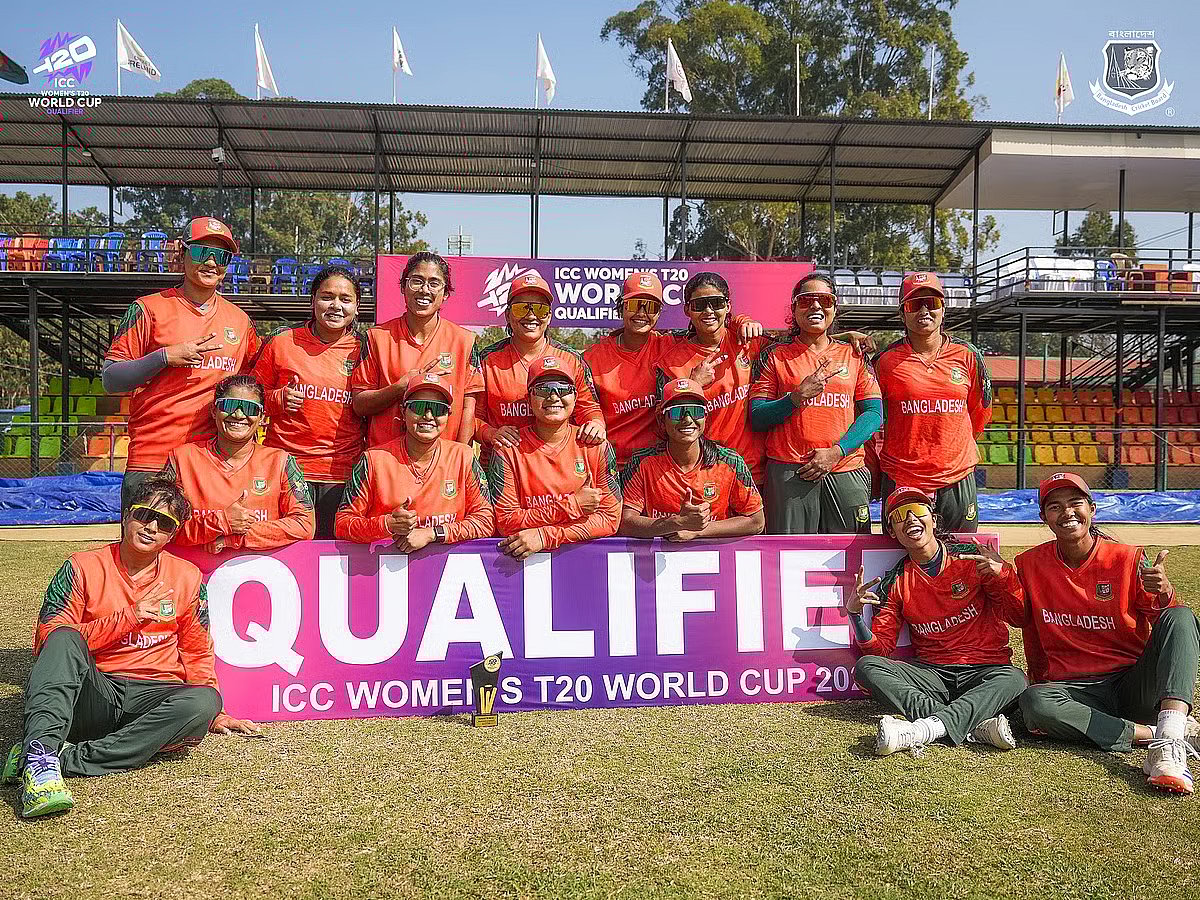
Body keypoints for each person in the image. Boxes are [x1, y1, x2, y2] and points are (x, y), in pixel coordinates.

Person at [1, 476, 259, 819]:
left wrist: (215, 713)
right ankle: (42, 760)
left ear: (172, 534)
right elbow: (48, 639)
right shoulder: (81, 566)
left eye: (164, 523)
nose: (151, 526)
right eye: (143, 515)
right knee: (62, 638)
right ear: (125, 516)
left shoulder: (188, 577)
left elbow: (197, 650)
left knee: (204, 700)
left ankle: (62, 758)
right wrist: (129, 617)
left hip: (153, 695)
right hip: (95, 691)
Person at [1014, 473, 1200, 795]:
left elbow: (1168, 625)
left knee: (1181, 617)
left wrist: (1165, 593)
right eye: (1055, 507)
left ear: (1093, 509)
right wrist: (998, 577)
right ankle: (1159, 733)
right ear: (1044, 518)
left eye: (1076, 503)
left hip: (1132, 685)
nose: (1067, 512)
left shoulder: (1126, 558)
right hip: (1074, 691)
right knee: (1034, 701)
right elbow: (1015, 616)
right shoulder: (1029, 564)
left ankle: (1167, 748)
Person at [846, 486, 1027, 757]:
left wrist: (1003, 575)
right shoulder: (895, 581)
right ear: (892, 532)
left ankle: (923, 729)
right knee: (867, 667)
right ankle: (973, 725)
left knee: (1015, 679)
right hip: (932, 674)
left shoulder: (972, 557)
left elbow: (1018, 616)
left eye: (918, 511)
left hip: (984, 669)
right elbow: (880, 649)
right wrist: (855, 616)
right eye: (899, 516)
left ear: (933, 518)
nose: (910, 519)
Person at [103, 217, 259, 511]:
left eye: (222, 256)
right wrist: (164, 357)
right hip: (154, 459)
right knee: (144, 553)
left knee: (208, 553)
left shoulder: (240, 321)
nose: (212, 262)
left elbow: (254, 385)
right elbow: (111, 379)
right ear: (180, 252)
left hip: (210, 463)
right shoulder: (148, 309)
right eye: (201, 252)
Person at [584, 271, 763, 468]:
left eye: (651, 306)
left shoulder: (669, 344)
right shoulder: (591, 358)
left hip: (658, 466)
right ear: (621, 307)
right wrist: (693, 384)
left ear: (659, 312)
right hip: (611, 464)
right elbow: (584, 408)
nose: (642, 313)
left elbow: (708, 324)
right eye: (635, 304)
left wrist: (741, 320)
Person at [749, 274, 883, 534]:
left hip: (845, 468)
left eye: (825, 300)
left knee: (851, 558)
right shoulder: (774, 355)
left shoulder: (854, 354)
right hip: (790, 472)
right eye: (807, 300)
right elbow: (757, 417)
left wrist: (837, 452)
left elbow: (874, 413)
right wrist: (794, 398)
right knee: (787, 561)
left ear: (835, 308)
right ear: (794, 308)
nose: (816, 306)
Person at [251, 265, 366, 539]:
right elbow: (248, 399)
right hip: (285, 469)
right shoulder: (282, 342)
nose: (336, 306)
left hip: (340, 473)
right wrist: (277, 398)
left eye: (345, 299)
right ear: (313, 301)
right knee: (286, 552)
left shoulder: (365, 349)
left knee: (330, 558)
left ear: (356, 307)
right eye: (327, 297)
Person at [873, 272, 992, 532]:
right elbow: (870, 413)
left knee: (961, 558)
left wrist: (950, 451)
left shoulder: (968, 355)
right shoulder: (884, 361)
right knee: (900, 557)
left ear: (943, 309)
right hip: (902, 476)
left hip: (957, 476)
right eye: (914, 304)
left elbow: (979, 413)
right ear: (902, 313)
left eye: (932, 303)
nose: (924, 310)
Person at [335, 374, 494, 549]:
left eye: (438, 409)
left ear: (448, 414)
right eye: (418, 407)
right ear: (403, 412)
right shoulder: (373, 460)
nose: (428, 415)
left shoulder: (464, 457)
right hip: (385, 568)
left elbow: (485, 520)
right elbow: (342, 524)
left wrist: (434, 533)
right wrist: (387, 524)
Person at [487, 357, 620, 559]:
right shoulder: (507, 450)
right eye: (543, 389)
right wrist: (572, 506)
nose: (553, 397)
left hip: (586, 561)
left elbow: (610, 518)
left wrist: (546, 535)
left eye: (563, 389)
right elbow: (506, 521)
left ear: (575, 397)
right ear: (529, 398)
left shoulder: (595, 447)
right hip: (522, 569)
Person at [163, 376, 315, 552]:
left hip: (260, 574)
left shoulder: (280, 461)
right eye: (229, 405)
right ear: (214, 411)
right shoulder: (182, 458)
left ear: (261, 416)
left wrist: (238, 537)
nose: (238, 415)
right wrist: (220, 522)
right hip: (195, 574)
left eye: (250, 408)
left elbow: (304, 525)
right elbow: (163, 525)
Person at [351, 252, 483, 448]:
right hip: (387, 461)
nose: (424, 290)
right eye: (416, 281)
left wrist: (460, 458)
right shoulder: (376, 338)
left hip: (442, 466)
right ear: (403, 287)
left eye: (434, 283)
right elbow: (359, 404)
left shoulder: (464, 341)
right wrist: (398, 388)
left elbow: (468, 410)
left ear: (445, 293)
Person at [654, 272, 773, 488]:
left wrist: (848, 338)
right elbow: (663, 427)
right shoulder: (671, 364)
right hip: (707, 472)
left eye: (716, 303)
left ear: (728, 306)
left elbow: (800, 346)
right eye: (699, 305)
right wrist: (693, 386)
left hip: (755, 471)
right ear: (687, 310)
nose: (709, 311)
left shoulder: (750, 343)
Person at [477, 272, 606, 465]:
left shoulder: (570, 359)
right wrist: (491, 433)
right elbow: (471, 418)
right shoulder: (487, 360)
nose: (531, 316)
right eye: (522, 309)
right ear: (507, 314)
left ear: (550, 315)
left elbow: (588, 408)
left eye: (540, 309)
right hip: (501, 465)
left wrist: (596, 424)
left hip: (557, 466)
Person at [619, 378, 764, 540]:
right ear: (662, 419)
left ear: (705, 417)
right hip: (657, 560)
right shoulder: (642, 462)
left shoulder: (729, 461)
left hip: (715, 560)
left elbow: (756, 521)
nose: (687, 419)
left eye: (696, 411)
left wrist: (697, 530)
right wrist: (675, 523)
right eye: (677, 412)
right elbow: (625, 523)